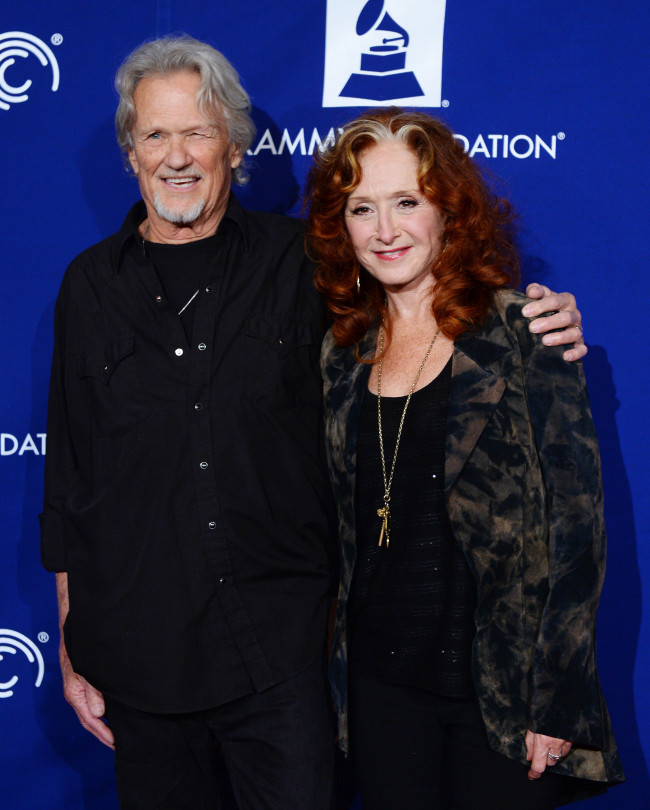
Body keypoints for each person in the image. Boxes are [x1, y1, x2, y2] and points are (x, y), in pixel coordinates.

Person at [40, 35, 586, 810]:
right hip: (142, 659)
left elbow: (426, 305)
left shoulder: (302, 265)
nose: (177, 156)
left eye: (197, 131)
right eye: (155, 134)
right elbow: (71, 482)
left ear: (233, 144)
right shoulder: (87, 287)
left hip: (283, 663)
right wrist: (72, 643)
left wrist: (540, 318)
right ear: (130, 152)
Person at [306, 108, 624, 810]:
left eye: (406, 202)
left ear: (450, 210)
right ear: (341, 225)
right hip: (381, 695)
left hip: (503, 699)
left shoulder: (523, 334)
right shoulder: (338, 354)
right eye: (362, 208)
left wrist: (558, 697)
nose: (385, 231)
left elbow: (578, 534)